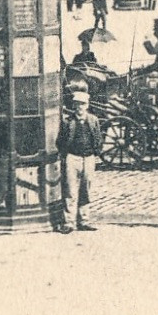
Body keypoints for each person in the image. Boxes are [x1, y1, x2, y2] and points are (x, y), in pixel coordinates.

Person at [57, 88, 102, 232]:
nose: (79, 107)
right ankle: (69, 222)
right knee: (71, 190)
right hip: (73, 157)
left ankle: (84, 220)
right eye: (77, 104)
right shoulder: (67, 122)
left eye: (82, 104)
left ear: (87, 105)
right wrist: (66, 155)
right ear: (73, 106)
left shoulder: (93, 120)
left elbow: (98, 138)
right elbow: (60, 141)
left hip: (88, 158)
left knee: (86, 189)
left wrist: (96, 152)